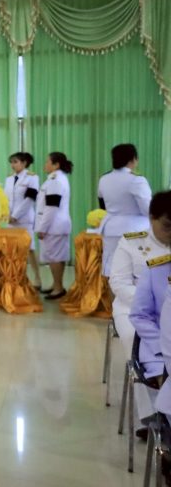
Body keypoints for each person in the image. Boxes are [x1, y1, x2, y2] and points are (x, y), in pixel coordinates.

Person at [112, 190, 171, 436]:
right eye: (166, 226)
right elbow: (118, 283)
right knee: (134, 339)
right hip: (133, 308)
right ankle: (151, 415)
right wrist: (153, 301)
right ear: (151, 218)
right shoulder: (132, 242)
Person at [130, 192, 171, 391]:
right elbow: (140, 315)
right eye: (167, 226)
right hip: (159, 351)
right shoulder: (156, 269)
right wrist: (163, 346)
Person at [99, 143, 153, 277]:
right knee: (136, 271)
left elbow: (102, 205)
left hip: (111, 229)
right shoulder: (137, 180)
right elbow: (148, 209)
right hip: (135, 231)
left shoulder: (104, 179)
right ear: (133, 159)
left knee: (113, 270)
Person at [36, 152, 73, 299]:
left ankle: (58, 288)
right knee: (57, 257)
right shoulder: (57, 178)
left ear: (56, 165)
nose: (45, 165)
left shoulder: (55, 180)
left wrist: (42, 228)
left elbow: (51, 207)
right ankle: (56, 285)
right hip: (56, 225)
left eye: (48, 162)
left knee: (55, 258)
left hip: (53, 226)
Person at [5, 152, 42, 288]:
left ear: (24, 163)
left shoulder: (32, 178)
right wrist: (7, 215)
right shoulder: (9, 179)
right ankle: (17, 277)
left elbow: (30, 199)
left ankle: (37, 278)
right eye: (11, 162)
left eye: (15, 162)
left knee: (30, 249)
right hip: (10, 220)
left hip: (24, 219)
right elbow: (6, 199)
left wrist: (16, 215)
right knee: (12, 250)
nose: (12, 165)